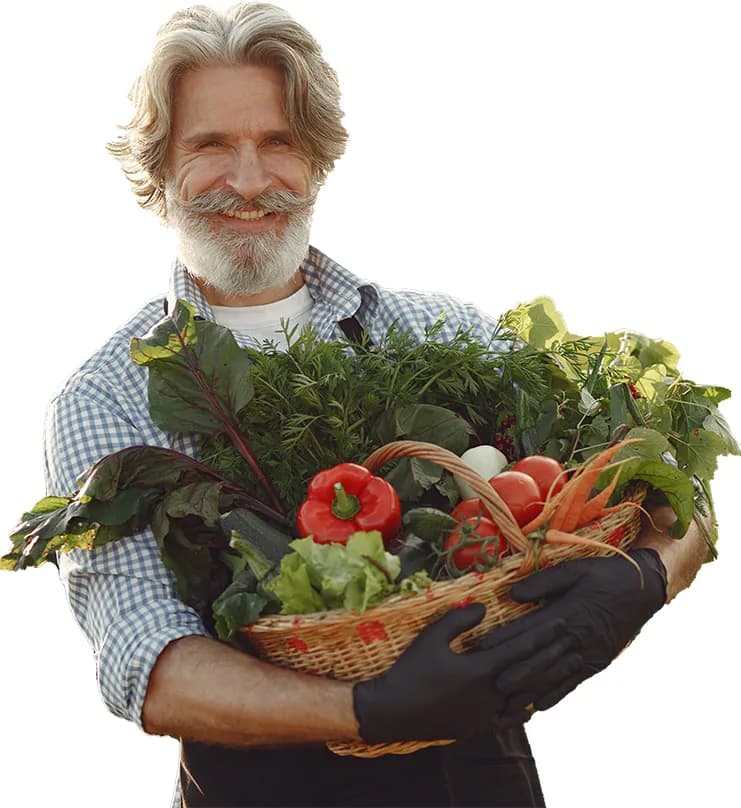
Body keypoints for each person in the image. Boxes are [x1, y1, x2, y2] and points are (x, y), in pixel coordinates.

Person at [44, 4, 709, 806]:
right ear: (157, 169)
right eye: (211, 145)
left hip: (481, 772)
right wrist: (369, 707)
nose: (249, 181)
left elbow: (669, 470)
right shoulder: (108, 393)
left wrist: (645, 576)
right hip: (258, 786)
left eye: (279, 141)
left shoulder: (436, 329)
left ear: (319, 158)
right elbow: (145, 662)